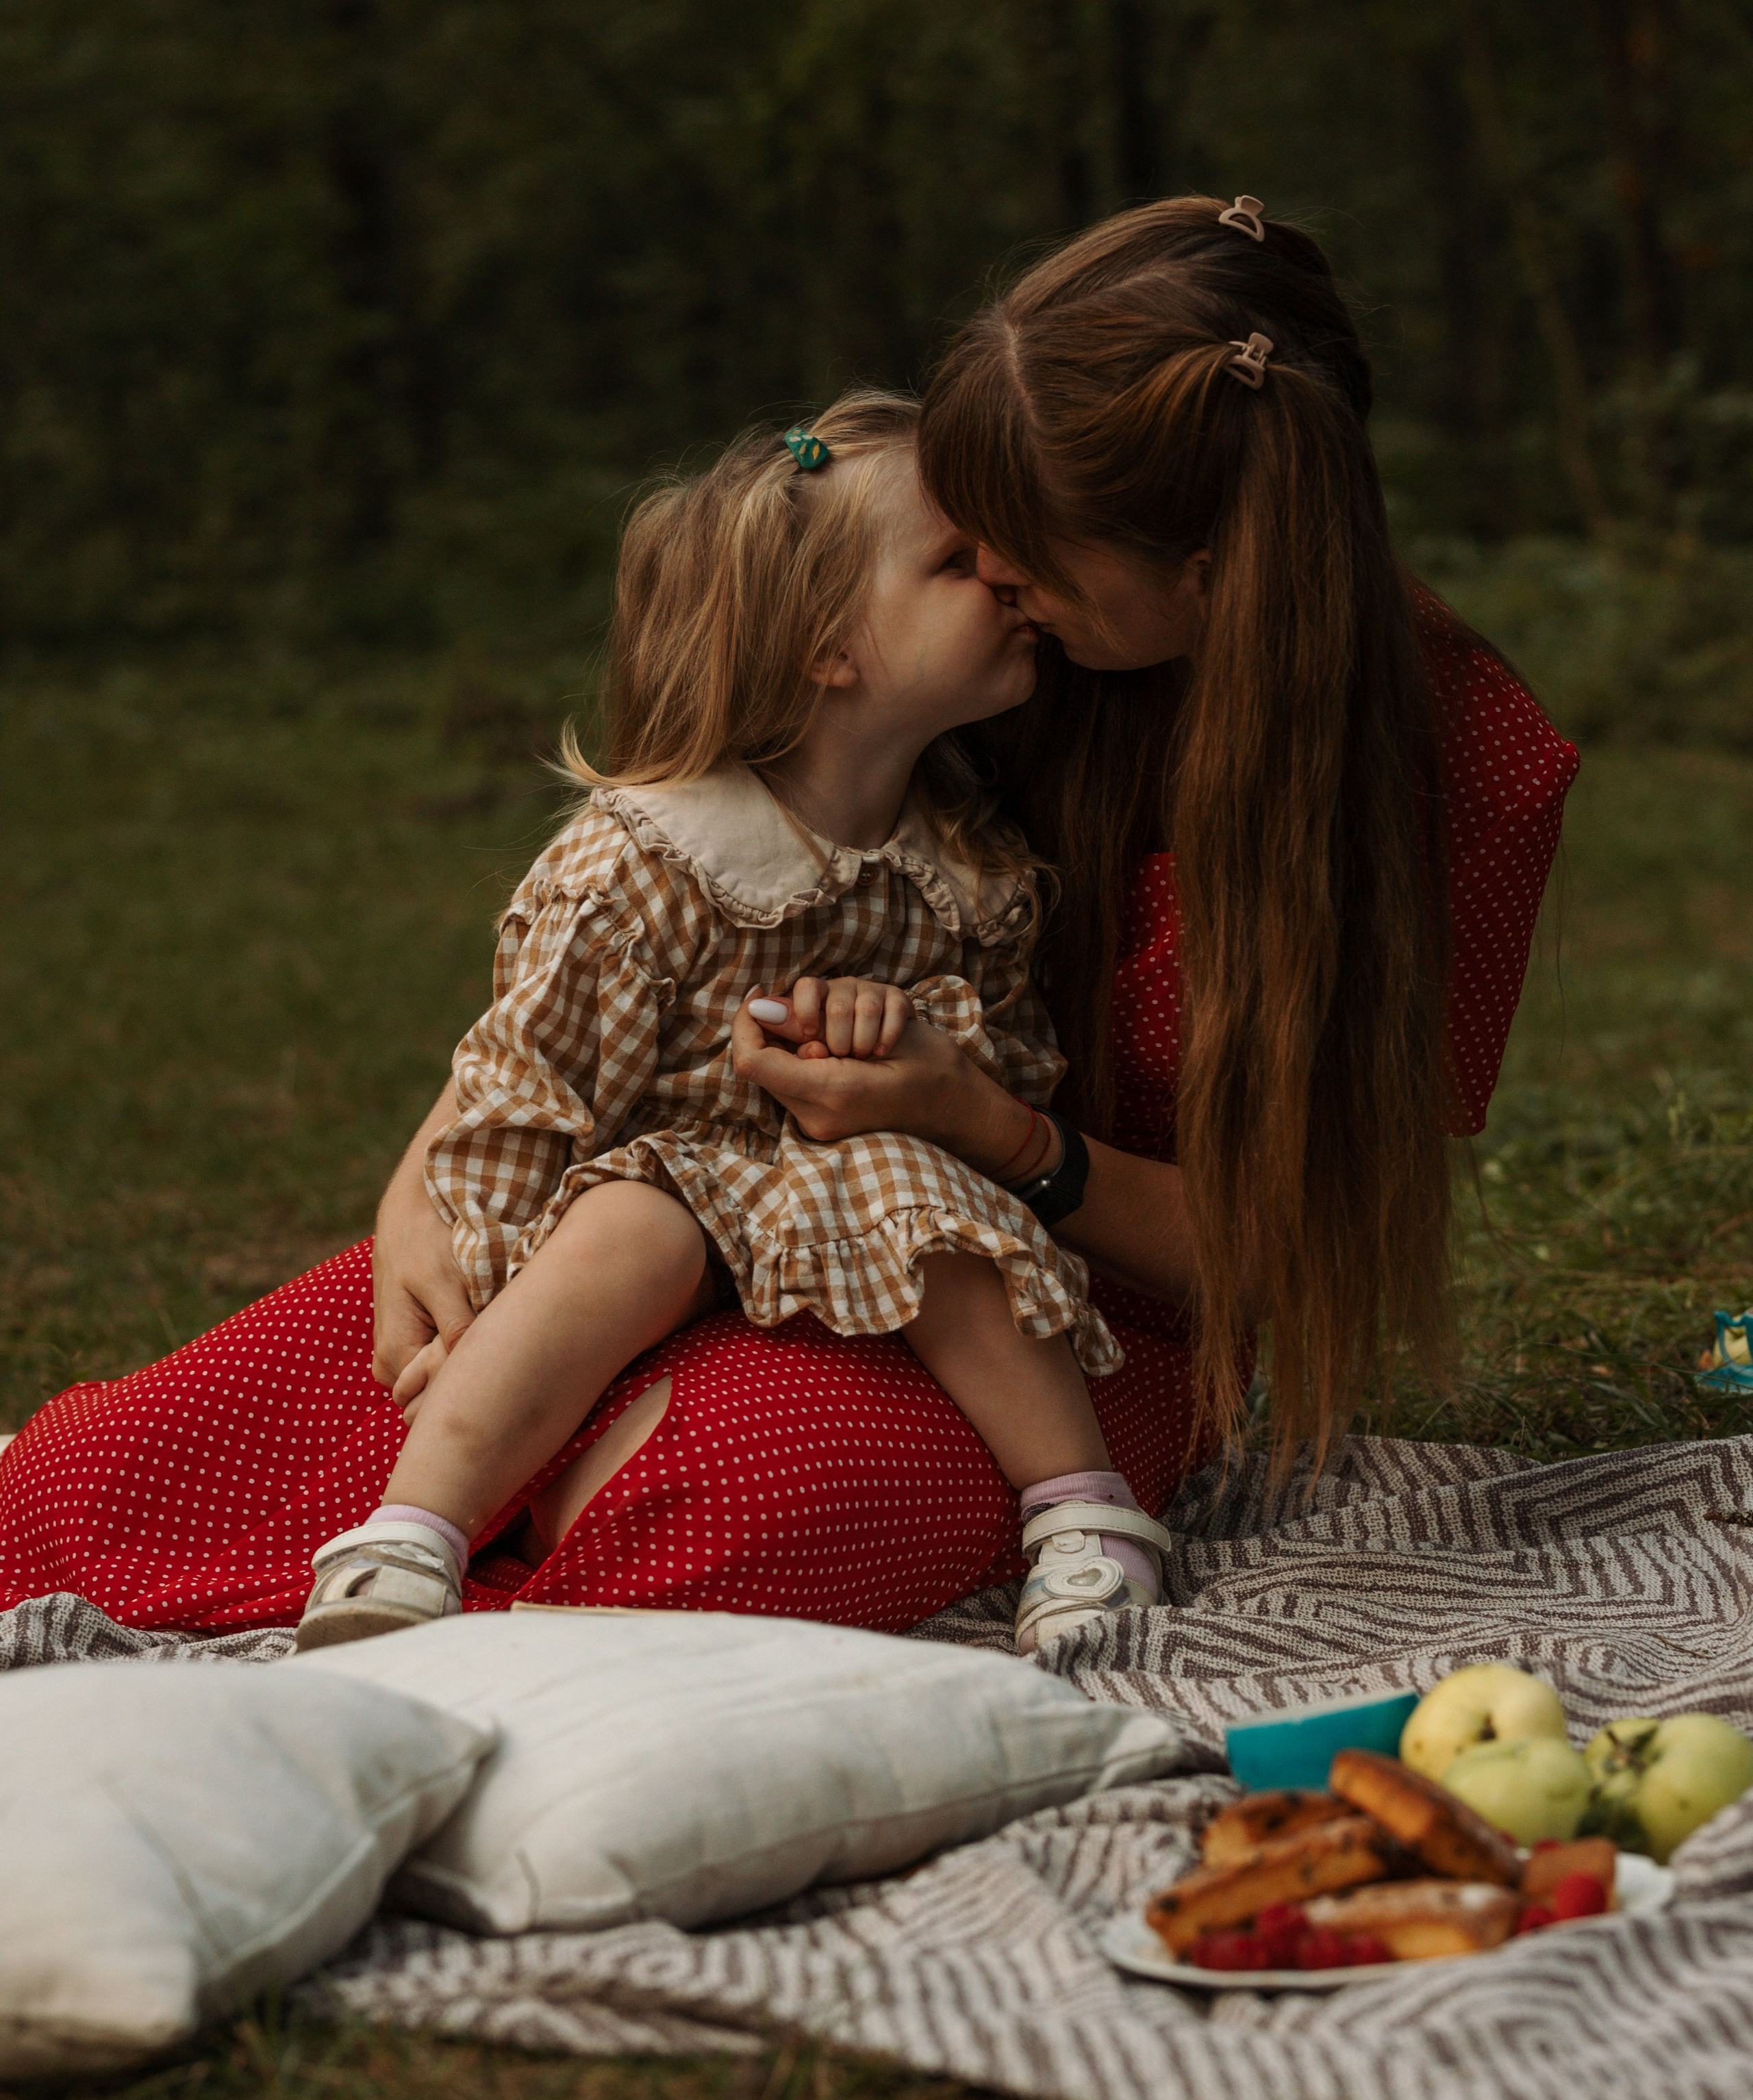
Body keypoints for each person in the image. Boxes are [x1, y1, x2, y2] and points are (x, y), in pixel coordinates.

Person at [0, 196, 1577, 1638]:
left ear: (1208, 565)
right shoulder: (1019, 662)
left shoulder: (1460, 780)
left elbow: (1286, 1254)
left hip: (1066, 1309)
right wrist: (430, 1169)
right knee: (232, 1421)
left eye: (1018, 557)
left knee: (698, 1496)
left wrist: (991, 1132)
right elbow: (647, 935)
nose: (989, 572)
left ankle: (430, 1672)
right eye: (968, 542)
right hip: (697, 1196)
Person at [296, 392, 1173, 1658]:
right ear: (830, 649)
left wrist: (919, 1048)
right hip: (675, 1182)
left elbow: (1024, 1068)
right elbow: (529, 1084)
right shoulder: (650, 859)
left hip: (871, 1181)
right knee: (619, 1236)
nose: (1003, 574)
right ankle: (412, 1531)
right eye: (953, 560)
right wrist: (476, 1282)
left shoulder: (969, 862)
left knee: (947, 1229)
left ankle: (1085, 1516)